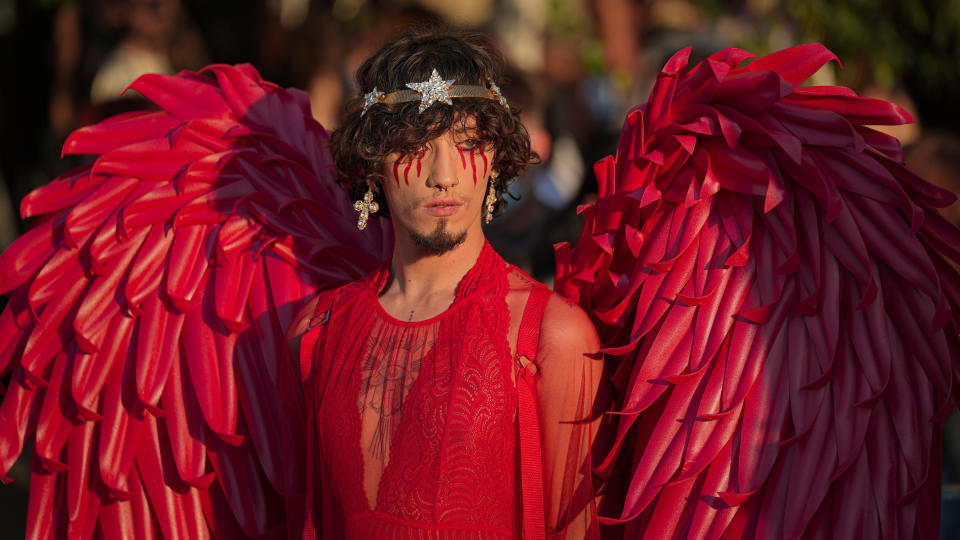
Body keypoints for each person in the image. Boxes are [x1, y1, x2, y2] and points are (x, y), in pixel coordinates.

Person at [285, 30, 606, 539]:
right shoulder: (315, 333)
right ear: (372, 165)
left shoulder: (552, 337)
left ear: (497, 158)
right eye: (415, 145)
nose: (444, 174)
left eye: (469, 144)